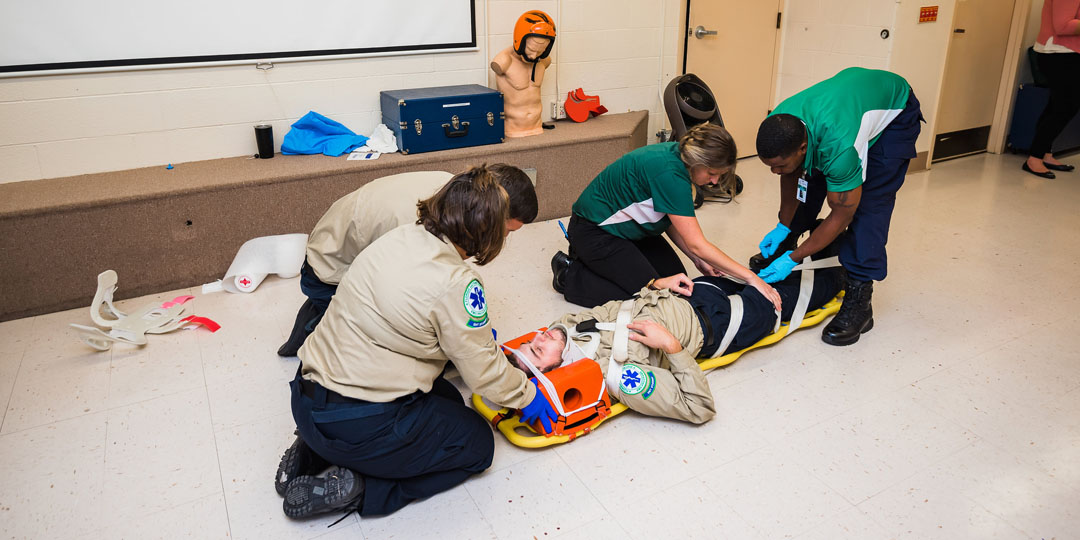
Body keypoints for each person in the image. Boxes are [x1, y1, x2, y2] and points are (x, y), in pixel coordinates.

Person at [277, 166, 558, 520]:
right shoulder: (457, 282)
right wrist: (528, 396)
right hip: (354, 423)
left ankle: (314, 449)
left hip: (307, 397)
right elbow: (485, 375)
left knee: (447, 399)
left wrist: (470, 340)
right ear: (487, 229)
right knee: (476, 444)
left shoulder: (399, 237)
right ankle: (363, 488)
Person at [513, 251, 843, 423]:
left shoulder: (568, 330)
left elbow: (614, 308)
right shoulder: (618, 376)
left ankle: (823, 243)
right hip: (716, 324)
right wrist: (670, 345)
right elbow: (698, 407)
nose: (539, 338)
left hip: (685, 294)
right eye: (539, 352)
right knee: (792, 293)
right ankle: (853, 272)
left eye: (532, 342)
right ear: (558, 370)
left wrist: (654, 286)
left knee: (764, 272)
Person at [277, 166, 538, 356]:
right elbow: (407, 299)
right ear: (495, 210)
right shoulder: (418, 228)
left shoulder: (453, 190)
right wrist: (460, 337)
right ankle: (319, 322)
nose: (503, 238)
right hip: (328, 270)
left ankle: (318, 309)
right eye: (508, 230)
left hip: (334, 243)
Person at [754, 67, 922, 346]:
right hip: (845, 107)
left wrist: (792, 260)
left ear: (803, 147)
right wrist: (785, 226)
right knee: (809, 180)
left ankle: (860, 300)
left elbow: (843, 212)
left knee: (868, 208)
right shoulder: (780, 122)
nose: (775, 172)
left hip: (894, 114)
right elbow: (791, 174)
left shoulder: (839, 148)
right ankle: (796, 241)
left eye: (779, 164)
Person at [551, 122, 783, 312]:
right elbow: (697, 243)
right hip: (594, 233)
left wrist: (697, 260)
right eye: (712, 174)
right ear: (697, 161)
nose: (714, 182)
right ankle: (571, 275)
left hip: (632, 230)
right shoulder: (670, 174)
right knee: (655, 298)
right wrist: (752, 278)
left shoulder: (677, 156)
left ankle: (603, 266)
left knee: (676, 281)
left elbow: (671, 218)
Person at [1022, 0, 1080, 179]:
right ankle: (1035, 158)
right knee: (1065, 107)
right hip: (1058, 53)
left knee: (1057, 105)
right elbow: (1063, 26)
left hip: (1065, 53)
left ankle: (1044, 153)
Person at [491, 10, 556, 138]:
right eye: (531, 49)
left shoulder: (543, 61)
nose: (533, 56)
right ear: (520, 40)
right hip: (512, 131)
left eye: (539, 51)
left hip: (538, 128)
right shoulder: (503, 62)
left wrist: (538, 54)